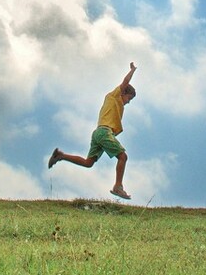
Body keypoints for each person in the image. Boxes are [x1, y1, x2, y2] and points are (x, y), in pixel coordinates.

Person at [48, 62, 138, 200]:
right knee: (123, 157)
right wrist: (132, 70)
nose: (128, 102)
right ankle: (118, 186)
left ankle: (60, 156)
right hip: (104, 132)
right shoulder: (113, 96)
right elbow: (125, 82)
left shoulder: (118, 104)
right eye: (129, 98)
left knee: (88, 163)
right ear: (123, 93)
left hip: (98, 133)